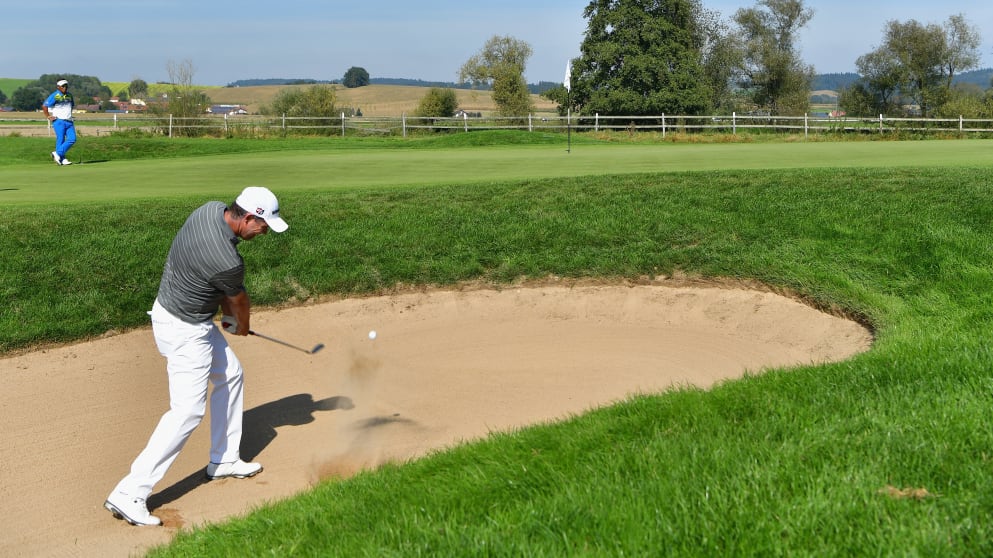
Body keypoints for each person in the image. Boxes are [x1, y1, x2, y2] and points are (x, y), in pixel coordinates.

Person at [105, 186, 289, 527]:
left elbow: (217, 289)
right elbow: (237, 301)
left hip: (176, 312)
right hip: (186, 331)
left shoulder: (209, 209)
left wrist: (230, 320)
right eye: (263, 225)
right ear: (248, 217)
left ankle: (224, 459)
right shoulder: (229, 262)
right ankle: (130, 492)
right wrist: (240, 325)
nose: (265, 232)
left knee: (231, 375)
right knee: (187, 411)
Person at [41, 78, 76, 165]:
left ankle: (57, 154)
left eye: (66, 86)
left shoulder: (69, 95)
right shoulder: (55, 95)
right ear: (58, 87)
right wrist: (48, 116)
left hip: (69, 121)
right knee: (60, 139)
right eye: (63, 86)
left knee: (72, 139)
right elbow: (45, 106)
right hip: (59, 121)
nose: (65, 88)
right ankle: (61, 159)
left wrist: (69, 115)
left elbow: (71, 106)